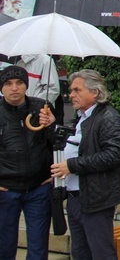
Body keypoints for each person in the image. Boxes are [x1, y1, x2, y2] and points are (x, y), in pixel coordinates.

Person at [50, 69, 120, 259]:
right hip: (77, 197)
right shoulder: (84, 117)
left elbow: (113, 155)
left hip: (96, 199)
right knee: (80, 253)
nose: (71, 95)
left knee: (101, 253)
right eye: (71, 90)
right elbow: (80, 144)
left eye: (77, 90)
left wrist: (71, 165)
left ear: (95, 92)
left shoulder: (109, 118)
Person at [0, 66, 56, 260]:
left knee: (38, 248)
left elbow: (58, 143)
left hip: (38, 189)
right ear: (1, 88)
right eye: (8, 84)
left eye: (19, 83)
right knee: (4, 247)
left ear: (26, 85)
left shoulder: (42, 107)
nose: (14, 88)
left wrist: (52, 126)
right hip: (6, 190)